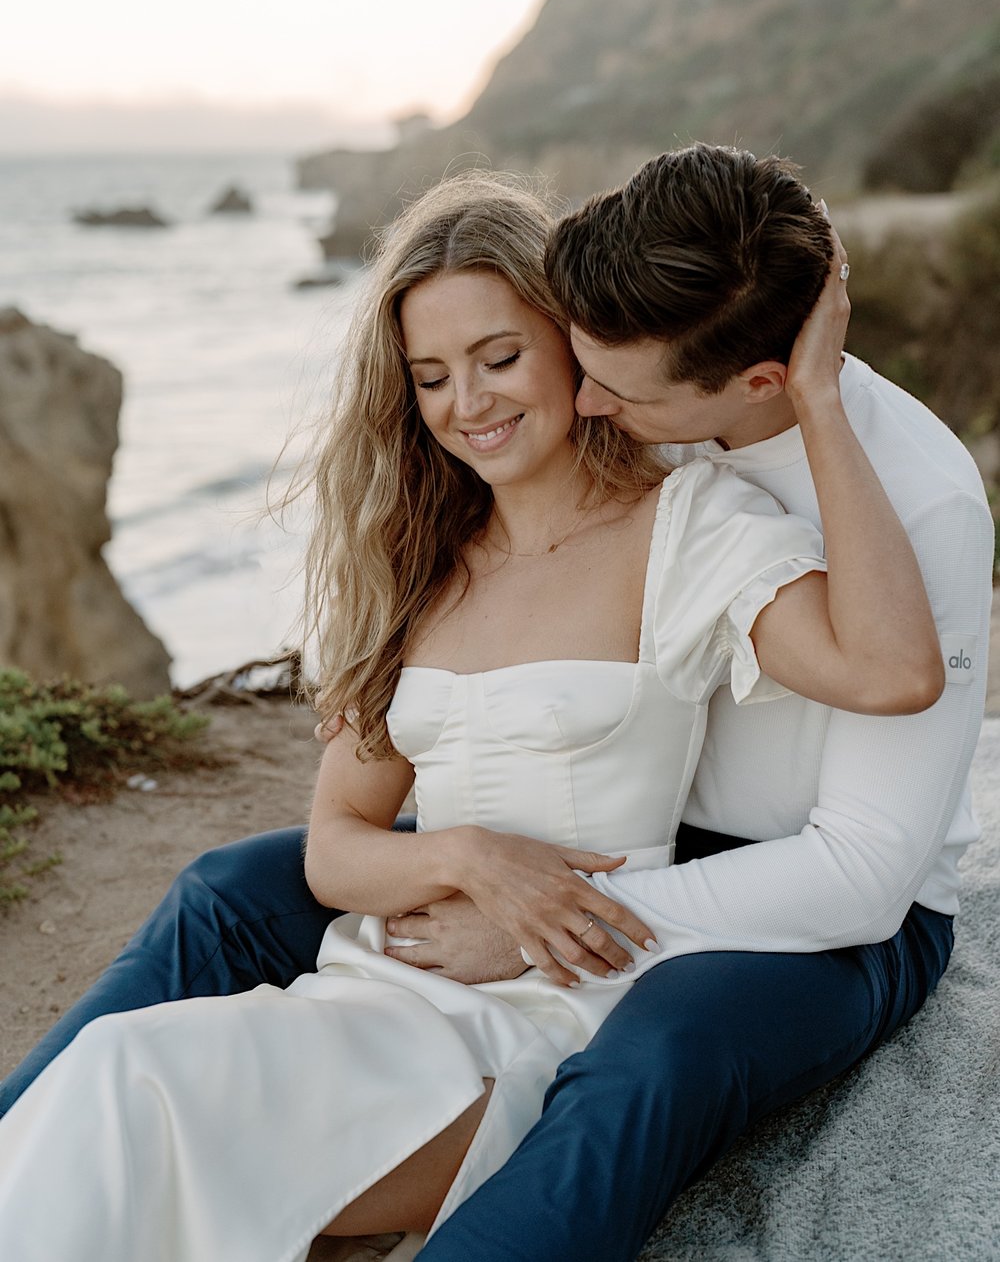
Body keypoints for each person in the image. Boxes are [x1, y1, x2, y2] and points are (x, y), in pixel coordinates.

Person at [0, 167, 944, 1262]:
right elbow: (336, 851)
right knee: (116, 1074)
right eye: (433, 375)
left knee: (126, 1096)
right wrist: (468, 856)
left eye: (500, 358)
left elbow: (890, 671)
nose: (470, 402)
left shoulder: (686, 526)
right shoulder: (412, 565)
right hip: (369, 986)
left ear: (570, 343)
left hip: (543, 1010)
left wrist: (818, 399)